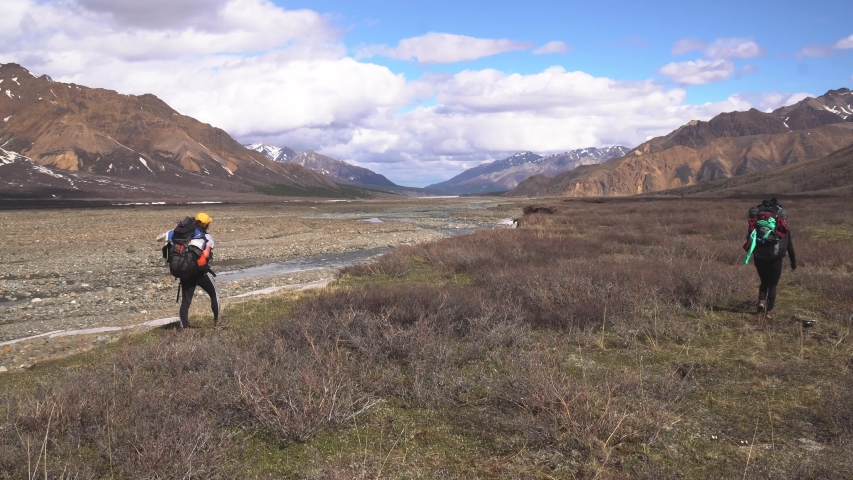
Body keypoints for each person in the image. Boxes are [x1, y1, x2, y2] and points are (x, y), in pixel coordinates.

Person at [158, 212, 220, 329]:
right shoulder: (206, 237)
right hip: (200, 272)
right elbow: (206, 255)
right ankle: (217, 322)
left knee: (186, 302)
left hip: (185, 272)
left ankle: (183, 328)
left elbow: (161, 240)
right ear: (206, 224)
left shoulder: (180, 234)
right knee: (214, 294)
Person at [748, 199, 797, 321]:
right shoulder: (783, 230)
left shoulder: (757, 226)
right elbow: (790, 248)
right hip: (776, 258)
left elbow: (749, 240)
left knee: (764, 281)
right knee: (773, 284)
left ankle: (761, 301)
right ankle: (769, 311)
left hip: (759, 257)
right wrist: (793, 263)